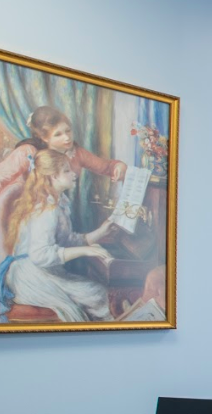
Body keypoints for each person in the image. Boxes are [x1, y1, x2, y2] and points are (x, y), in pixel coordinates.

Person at [0, 148, 115, 322]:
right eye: (67, 171)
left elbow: (67, 241)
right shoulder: (46, 209)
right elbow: (40, 255)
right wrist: (85, 251)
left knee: (96, 293)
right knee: (95, 294)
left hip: (40, 270)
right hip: (30, 276)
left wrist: (100, 232)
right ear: (53, 176)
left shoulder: (58, 203)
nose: (74, 174)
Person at [0, 105, 126, 246]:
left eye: (68, 131)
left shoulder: (75, 153)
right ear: (44, 137)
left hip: (52, 214)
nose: (67, 138)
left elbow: (106, 167)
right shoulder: (27, 151)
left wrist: (118, 166)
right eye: (58, 134)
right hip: (20, 213)